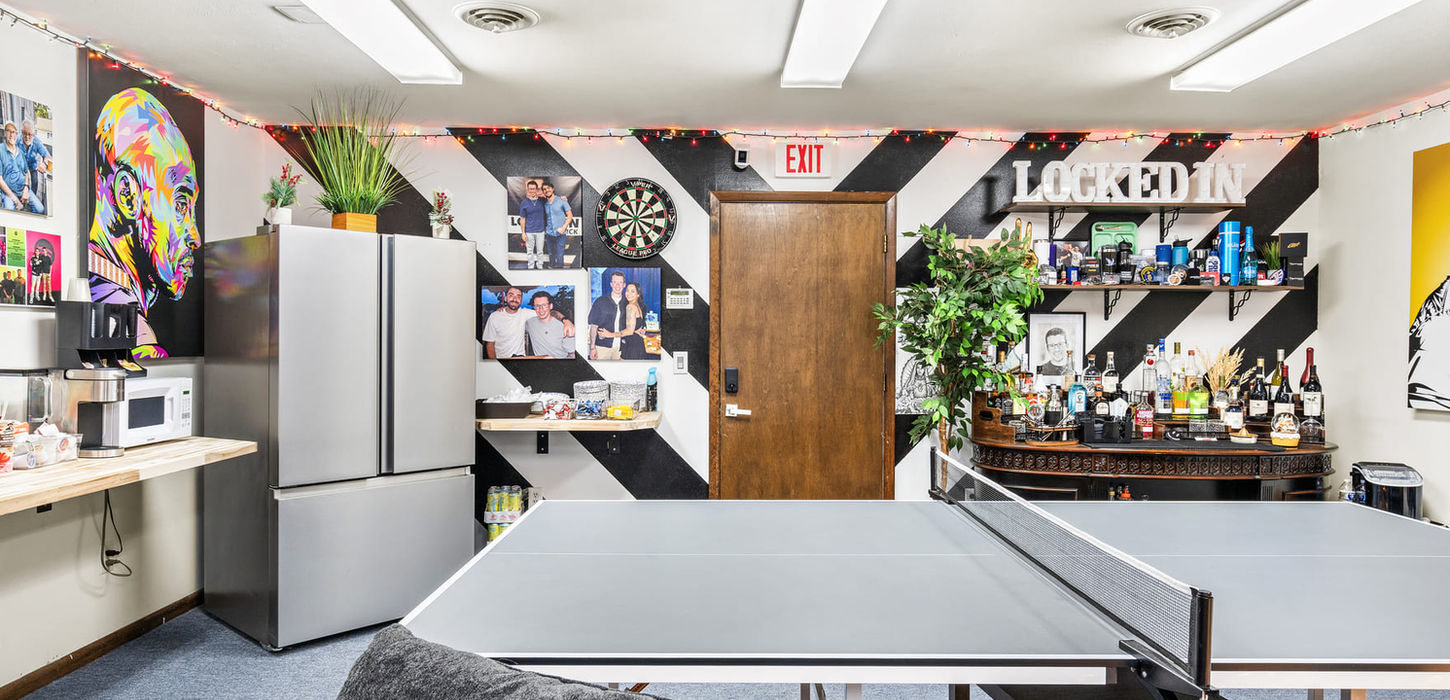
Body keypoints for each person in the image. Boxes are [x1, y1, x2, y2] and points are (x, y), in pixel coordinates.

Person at [88, 88, 198, 359]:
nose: (195, 236)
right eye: (181, 204)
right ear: (127, 195)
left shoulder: (93, 293)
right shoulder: (140, 344)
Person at [482, 286, 574, 359]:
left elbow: (550, 313)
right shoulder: (495, 317)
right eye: (511, 295)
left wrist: (566, 320)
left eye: (518, 296)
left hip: (521, 358)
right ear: (505, 298)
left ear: (521, 300)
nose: (515, 299)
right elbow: (489, 344)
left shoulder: (526, 313)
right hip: (502, 359)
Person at [0, 121, 42, 214]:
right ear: (4, 133)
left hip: (23, 189)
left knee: (40, 209)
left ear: (17, 134)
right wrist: (15, 200)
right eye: (9, 131)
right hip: (8, 193)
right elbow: (0, 180)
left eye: (14, 132)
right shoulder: (1, 150)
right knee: (10, 212)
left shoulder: (20, 152)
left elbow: (26, 172)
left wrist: (26, 189)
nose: (11, 135)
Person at [587, 269, 627, 360]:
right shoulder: (600, 301)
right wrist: (592, 348)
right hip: (602, 347)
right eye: (615, 282)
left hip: (620, 348)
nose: (617, 285)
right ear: (611, 284)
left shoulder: (627, 303)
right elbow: (594, 326)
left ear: (624, 285)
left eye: (620, 282)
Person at [524, 291, 575, 358]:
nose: (541, 309)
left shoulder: (564, 327)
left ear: (551, 306)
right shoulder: (530, 323)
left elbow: (572, 354)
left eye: (544, 305)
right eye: (537, 306)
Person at [540, 180, 572, 269]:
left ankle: (559, 272)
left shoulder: (562, 200)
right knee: (551, 254)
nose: (547, 190)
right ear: (543, 192)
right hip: (549, 233)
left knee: (560, 255)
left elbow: (570, 216)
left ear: (553, 189)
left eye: (548, 188)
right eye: (544, 189)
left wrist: (563, 228)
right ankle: (551, 269)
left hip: (560, 234)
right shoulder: (544, 203)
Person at [21, 120, 50, 211]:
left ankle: (30, 201)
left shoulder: (37, 142)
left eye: (29, 134)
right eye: (25, 134)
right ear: (22, 133)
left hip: (33, 167)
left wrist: (44, 164)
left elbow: (46, 155)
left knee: (34, 183)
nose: (27, 137)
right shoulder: (17, 140)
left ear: (33, 134)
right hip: (21, 167)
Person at [518, 179, 547, 269]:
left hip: (540, 231)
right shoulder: (524, 203)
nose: (532, 191)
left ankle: (540, 267)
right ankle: (530, 267)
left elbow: (552, 199)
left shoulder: (542, 201)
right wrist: (523, 233)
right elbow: (523, 219)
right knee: (530, 251)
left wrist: (562, 198)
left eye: (534, 189)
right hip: (529, 231)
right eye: (530, 189)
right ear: (527, 190)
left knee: (540, 251)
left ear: (537, 190)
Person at [619, 282, 649, 360]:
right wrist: (640, 329)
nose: (629, 293)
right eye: (627, 290)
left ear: (638, 294)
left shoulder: (630, 306)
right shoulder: (639, 306)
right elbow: (641, 323)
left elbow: (629, 331)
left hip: (631, 344)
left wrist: (609, 334)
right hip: (637, 343)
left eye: (632, 291)